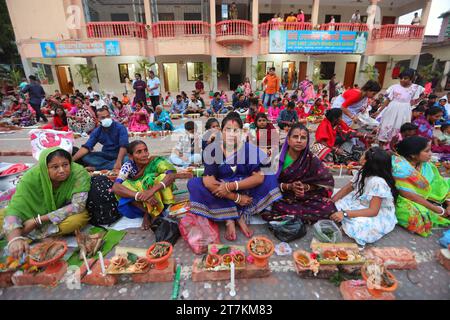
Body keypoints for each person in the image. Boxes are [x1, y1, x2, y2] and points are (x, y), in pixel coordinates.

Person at [187, 113, 282, 241]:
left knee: (269, 177)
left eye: (236, 130)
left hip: (245, 187)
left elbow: (258, 178)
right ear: (221, 132)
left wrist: (231, 186)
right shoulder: (213, 149)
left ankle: (235, 214)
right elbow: (209, 182)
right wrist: (236, 197)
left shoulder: (249, 149)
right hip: (222, 191)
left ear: (241, 132)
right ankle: (231, 218)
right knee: (194, 184)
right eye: (228, 130)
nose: (232, 134)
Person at [1, 148, 91, 258]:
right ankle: (21, 235)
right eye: (55, 167)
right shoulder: (31, 178)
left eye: (65, 164)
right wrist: (14, 240)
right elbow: (16, 207)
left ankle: (27, 233)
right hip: (32, 212)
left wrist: (37, 221)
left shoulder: (78, 173)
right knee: (4, 215)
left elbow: (78, 205)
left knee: (78, 219)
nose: (62, 170)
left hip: (57, 215)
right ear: (45, 168)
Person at [330, 147, 398, 246]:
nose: (360, 156)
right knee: (333, 199)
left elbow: (373, 211)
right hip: (361, 201)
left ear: (367, 161)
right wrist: (331, 201)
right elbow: (347, 188)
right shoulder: (363, 172)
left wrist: (344, 213)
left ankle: (346, 220)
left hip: (376, 212)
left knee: (359, 226)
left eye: (363, 154)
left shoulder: (378, 182)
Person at [270, 123, 336, 222]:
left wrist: (305, 187)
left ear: (307, 141)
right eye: (295, 137)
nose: (299, 141)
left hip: (306, 195)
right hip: (282, 194)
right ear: (288, 139)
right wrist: (289, 186)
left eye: (303, 138)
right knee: (272, 206)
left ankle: (293, 216)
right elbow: (269, 183)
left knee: (329, 209)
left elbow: (325, 181)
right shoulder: (277, 158)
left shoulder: (311, 159)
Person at [392, 136, 450, 236]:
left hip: (431, 198)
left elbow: (440, 184)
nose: (430, 154)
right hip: (409, 199)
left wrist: (448, 203)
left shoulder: (427, 165)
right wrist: (435, 209)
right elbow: (408, 195)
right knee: (417, 214)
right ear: (413, 155)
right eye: (427, 151)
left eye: (430, 150)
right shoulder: (400, 168)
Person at [112, 141, 177, 230]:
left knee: (162, 177)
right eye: (139, 152)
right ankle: (149, 213)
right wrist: (140, 195)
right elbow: (116, 186)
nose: (144, 154)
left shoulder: (154, 161)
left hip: (156, 196)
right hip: (141, 202)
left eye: (145, 150)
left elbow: (172, 174)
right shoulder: (128, 166)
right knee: (124, 185)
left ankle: (156, 212)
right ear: (131, 156)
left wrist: (151, 191)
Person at [376, 69, 424, 146]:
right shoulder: (394, 87)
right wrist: (379, 111)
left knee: (400, 126)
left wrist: (416, 101)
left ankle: (395, 145)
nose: (402, 80)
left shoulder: (416, 88)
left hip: (405, 110)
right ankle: (382, 145)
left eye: (405, 78)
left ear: (411, 79)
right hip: (392, 109)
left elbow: (424, 93)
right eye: (401, 78)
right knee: (387, 125)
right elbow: (388, 100)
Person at [73, 107, 129, 171]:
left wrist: (119, 161)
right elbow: (87, 147)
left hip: (121, 153)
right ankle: (111, 165)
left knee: (127, 159)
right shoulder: (97, 131)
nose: (106, 119)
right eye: (103, 118)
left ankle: (98, 168)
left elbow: (123, 146)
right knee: (86, 157)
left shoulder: (120, 127)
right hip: (106, 153)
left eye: (108, 116)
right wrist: (71, 161)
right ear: (97, 119)